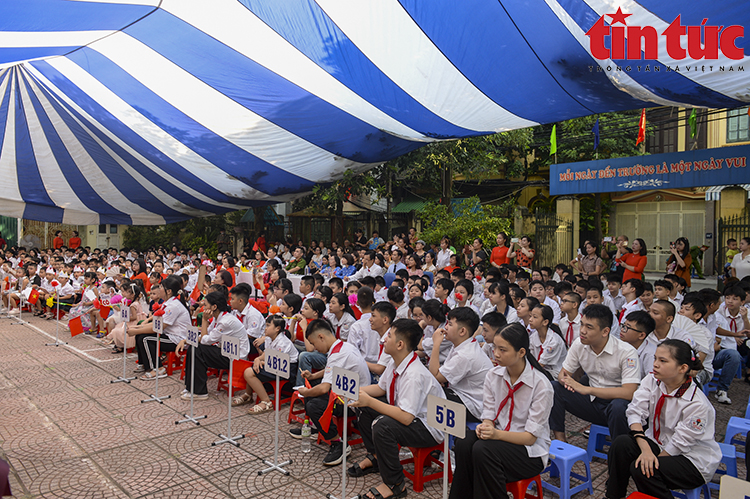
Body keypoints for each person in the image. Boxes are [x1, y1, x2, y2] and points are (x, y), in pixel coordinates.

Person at [449, 323, 554, 499]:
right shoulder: (493, 375)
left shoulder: (541, 386)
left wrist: (495, 434)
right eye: (495, 347)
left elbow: (530, 437)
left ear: (521, 352)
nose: (496, 354)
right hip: (499, 439)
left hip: (529, 452)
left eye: (503, 350)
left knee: (483, 450)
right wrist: (486, 426)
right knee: (465, 442)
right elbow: (489, 413)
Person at [606, 339, 721, 499]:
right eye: (655, 358)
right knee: (621, 445)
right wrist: (645, 450)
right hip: (658, 443)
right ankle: (613, 496)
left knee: (643, 469)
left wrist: (650, 459)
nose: (655, 364)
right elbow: (635, 412)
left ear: (683, 368)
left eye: (663, 361)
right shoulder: (652, 380)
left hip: (691, 459)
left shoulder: (697, 403)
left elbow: (680, 444)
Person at [347, 319, 446, 499]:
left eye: (389, 336)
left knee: (382, 425)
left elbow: (407, 417)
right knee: (362, 407)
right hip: (411, 415)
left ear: (400, 344)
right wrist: (353, 392)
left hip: (429, 427)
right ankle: (376, 457)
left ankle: (395, 484)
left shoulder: (414, 374)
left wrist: (368, 401)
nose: (384, 339)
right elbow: (381, 388)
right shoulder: (397, 362)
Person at [550, 304, 640, 442]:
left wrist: (586, 389)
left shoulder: (626, 351)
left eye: (589, 327)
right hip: (592, 403)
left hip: (617, 407)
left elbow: (629, 392)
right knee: (554, 387)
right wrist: (566, 381)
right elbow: (563, 374)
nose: (582, 331)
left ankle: (620, 449)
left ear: (605, 331)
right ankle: (560, 440)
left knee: (618, 407)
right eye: (582, 325)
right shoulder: (579, 344)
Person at [293, 318, 370, 466]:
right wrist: (313, 376)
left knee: (314, 403)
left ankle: (338, 443)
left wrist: (304, 392)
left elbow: (324, 389)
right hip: (348, 392)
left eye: (314, 343)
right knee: (313, 386)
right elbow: (331, 370)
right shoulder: (342, 346)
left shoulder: (337, 354)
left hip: (353, 402)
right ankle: (317, 427)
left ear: (321, 336)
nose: (315, 348)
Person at [428, 307, 492, 423]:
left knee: (430, 392)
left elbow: (435, 376)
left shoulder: (465, 355)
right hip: (466, 396)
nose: (445, 327)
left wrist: (436, 344)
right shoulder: (464, 344)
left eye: (450, 324)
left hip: (474, 406)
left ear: (462, 331)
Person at [129, 275, 191, 380]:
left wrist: (136, 330)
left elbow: (159, 327)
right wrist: (138, 328)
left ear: (169, 291)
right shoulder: (168, 303)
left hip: (177, 339)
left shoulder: (173, 306)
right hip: (168, 334)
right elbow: (157, 323)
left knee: (146, 339)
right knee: (140, 335)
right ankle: (144, 363)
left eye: (161, 287)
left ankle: (158, 369)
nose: (159, 289)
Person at [234, 315, 299, 413]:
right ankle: (248, 395)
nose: (265, 328)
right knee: (250, 366)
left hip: (286, 369)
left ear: (277, 328)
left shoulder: (283, 342)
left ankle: (266, 402)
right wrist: (258, 359)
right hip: (274, 364)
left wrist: (261, 362)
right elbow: (266, 354)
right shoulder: (269, 338)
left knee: (249, 372)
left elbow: (279, 361)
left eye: (268, 325)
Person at [620, 310, 657, 380]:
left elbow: (652, 381)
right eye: (623, 325)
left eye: (627, 327)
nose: (622, 329)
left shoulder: (650, 354)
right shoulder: (621, 345)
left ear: (641, 335)